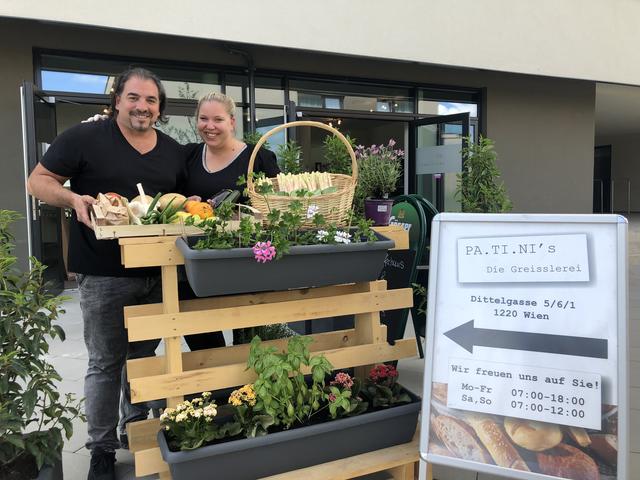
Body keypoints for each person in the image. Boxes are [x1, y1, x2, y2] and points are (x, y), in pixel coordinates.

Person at [27, 67, 187, 480]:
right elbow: (37, 181)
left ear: (160, 108)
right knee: (104, 362)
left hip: (158, 273)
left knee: (141, 356)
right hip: (103, 273)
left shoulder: (172, 150)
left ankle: (132, 425)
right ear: (117, 100)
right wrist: (71, 199)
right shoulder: (85, 137)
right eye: (134, 97)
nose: (142, 106)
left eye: (151, 100)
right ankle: (101, 448)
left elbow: (183, 202)